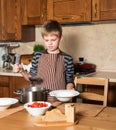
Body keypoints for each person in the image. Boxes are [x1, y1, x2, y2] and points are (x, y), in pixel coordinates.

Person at [13, 20, 75, 93]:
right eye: (46, 40)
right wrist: (21, 71)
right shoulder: (38, 55)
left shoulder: (67, 58)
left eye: (53, 40)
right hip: (40, 99)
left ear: (60, 38)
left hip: (59, 100)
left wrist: (70, 89)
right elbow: (33, 78)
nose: (50, 43)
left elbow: (69, 81)